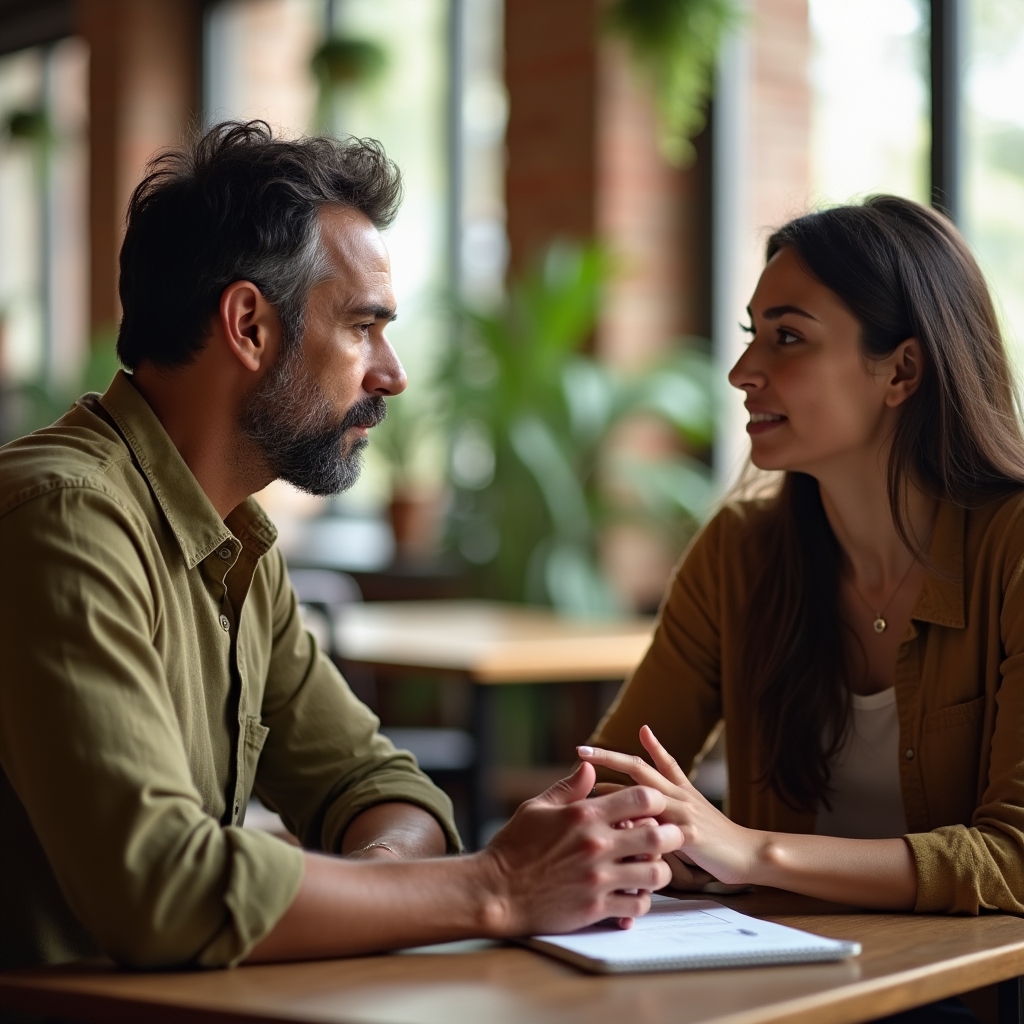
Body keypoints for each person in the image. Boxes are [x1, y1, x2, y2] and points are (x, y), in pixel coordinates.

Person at [0, 120, 681, 971]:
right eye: (364, 326)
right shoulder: (59, 516)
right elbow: (163, 891)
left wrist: (383, 884)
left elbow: (384, 790)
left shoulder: (238, 544)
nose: (392, 374)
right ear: (248, 325)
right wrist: (495, 886)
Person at [579, 195, 1024, 920]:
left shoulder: (1013, 549)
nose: (743, 371)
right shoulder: (738, 552)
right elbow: (606, 785)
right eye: (752, 334)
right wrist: (659, 845)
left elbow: (1016, 861)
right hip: (784, 982)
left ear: (902, 371)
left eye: (787, 337)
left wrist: (750, 853)